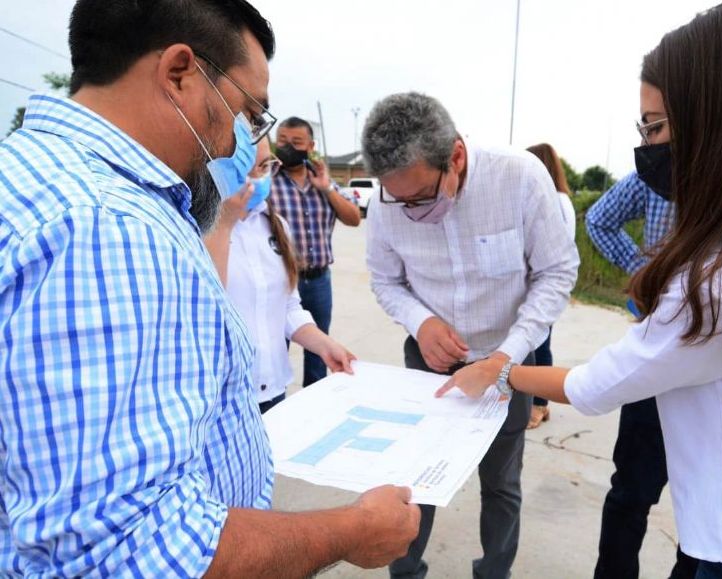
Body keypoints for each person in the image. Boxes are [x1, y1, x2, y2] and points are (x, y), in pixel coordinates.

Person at [0, 1, 419, 576]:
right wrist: (351, 531)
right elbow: (129, 553)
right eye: (247, 113)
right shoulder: (108, 230)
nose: (246, 144)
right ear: (179, 73)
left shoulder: (38, 176)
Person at [438, 3, 722, 578]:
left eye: (654, 127)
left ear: (721, 123)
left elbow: (595, 385)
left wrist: (499, 369)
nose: (648, 145)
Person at [362, 92, 580, 579]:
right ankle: (406, 573)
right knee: (417, 479)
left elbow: (557, 272)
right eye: (400, 201)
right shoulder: (387, 203)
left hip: (509, 366)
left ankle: (493, 573)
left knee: (501, 484)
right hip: (429, 365)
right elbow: (385, 281)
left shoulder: (519, 178)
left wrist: (506, 356)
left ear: (455, 157)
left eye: (421, 198)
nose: (411, 211)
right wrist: (422, 322)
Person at [586, 173, 697, 576]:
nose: (648, 141)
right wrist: (643, 270)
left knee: (704, 505)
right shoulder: (651, 176)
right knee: (630, 493)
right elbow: (598, 219)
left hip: (720, 367)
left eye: (655, 126)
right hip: (655, 352)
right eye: (645, 126)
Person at [204, 139, 356, 414]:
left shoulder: (276, 226)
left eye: (265, 167)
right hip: (225, 399)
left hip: (273, 390)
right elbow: (205, 309)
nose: (261, 178)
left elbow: (287, 307)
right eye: (251, 169)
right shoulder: (199, 230)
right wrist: (225, 224)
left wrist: (325, 345)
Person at [271, 116, 361, 387]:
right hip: (282, 282)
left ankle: (315, 404)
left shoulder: (323, 180)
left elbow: (354, 218)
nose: (288, 147)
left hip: (319, 281)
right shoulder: (268, 181)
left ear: (310, 145)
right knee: (277, 350)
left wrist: (327, 189)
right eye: (282, 141)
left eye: (296, 142)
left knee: (319, 354)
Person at [526, 143, 577, 429]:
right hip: (545, 284)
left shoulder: (552, 200)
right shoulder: (562, 199)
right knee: (539, 341)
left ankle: (539, 404)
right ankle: (536, 401)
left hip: (543, 285)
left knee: (540, 343)